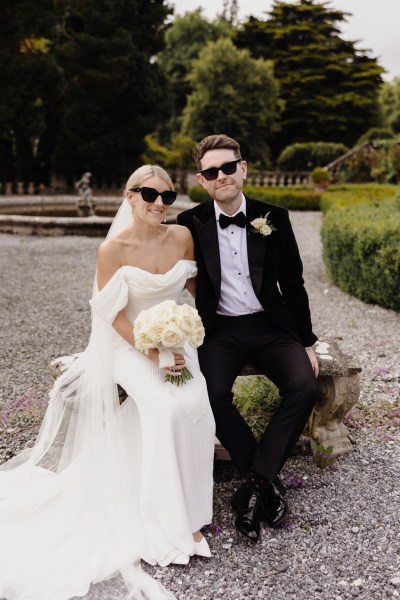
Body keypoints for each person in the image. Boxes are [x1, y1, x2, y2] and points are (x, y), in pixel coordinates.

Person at [0, 165, 215, 600]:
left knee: (198, 408)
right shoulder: (111, 249)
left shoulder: (181, 238)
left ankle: (194, 510)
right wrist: (151, 350)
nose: (159, 203)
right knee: (165, 406)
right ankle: (168, 523)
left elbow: (193, 291)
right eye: (150, 194)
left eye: (168, 197)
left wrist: (184, 335)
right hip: (129, 345)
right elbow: (111, 314)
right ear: (130, 196)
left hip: (175, 341)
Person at [177, 134, 319, 543]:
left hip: (271, 325)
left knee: (305, 384)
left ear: (243, 168)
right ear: (202, 180)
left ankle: (254, 484)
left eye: (227, 167)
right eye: (210, 171)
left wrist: (306, 341)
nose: (220, 175)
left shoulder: (275, 216)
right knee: (213, 392)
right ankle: (264, 482)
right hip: (220, 329)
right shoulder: (190, 223)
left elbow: (293, 284)